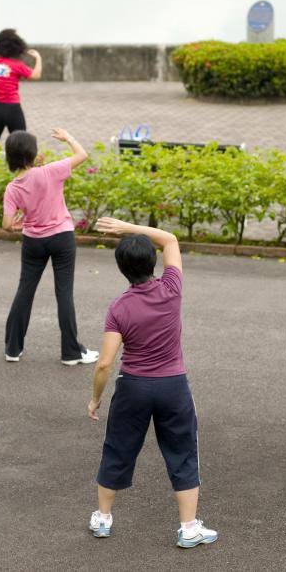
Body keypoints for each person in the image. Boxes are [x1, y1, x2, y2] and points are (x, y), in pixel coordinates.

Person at [87, 217, 218, 548]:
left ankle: (103, 519)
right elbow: (171, 239)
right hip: (174, 386)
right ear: (153, 261)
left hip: (133, 387)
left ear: (122, 268)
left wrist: (95, 399)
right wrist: (126, 227)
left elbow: (104, 363)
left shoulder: (118, 307)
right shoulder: (171, 288)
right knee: (183, 452)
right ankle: (188, 528)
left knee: (118, 447)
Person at [2, 128, 98, 366]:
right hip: (62, 238)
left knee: (25, 291)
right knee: (63, 293)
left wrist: (14, 227)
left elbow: (6, 224)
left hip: (33, 241)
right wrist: (68, 138)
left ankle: (13, 349)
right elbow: (82, 155)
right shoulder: (50, 171)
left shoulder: (13, 188)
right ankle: (70, 353)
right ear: (32, 154)